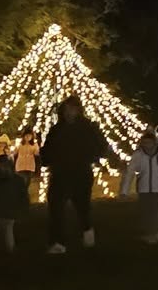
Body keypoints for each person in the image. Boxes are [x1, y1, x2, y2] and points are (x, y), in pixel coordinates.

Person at [40, 94, 109, 253]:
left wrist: (90, 157)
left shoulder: (88, 127)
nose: (69, 112)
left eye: (73, 108)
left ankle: (87, 231)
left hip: (80, 172)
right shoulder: (57, 129)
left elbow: (101, 146)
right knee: (56, 207)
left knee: (82, 206)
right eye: (66, 109)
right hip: (60, 173)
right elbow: (48, 149)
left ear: (78, 110)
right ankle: (58, 242)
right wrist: (47, 159)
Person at [119, 129, 158, 245]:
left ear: (155, 142)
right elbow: (130, 172)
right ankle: (151, 233)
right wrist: (124, 190)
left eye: (149, 143)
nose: (147, 146)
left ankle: (152, 235)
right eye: (145, 143)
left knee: (155, 211)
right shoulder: (138, 154)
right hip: (144, 188)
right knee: (146, 212)